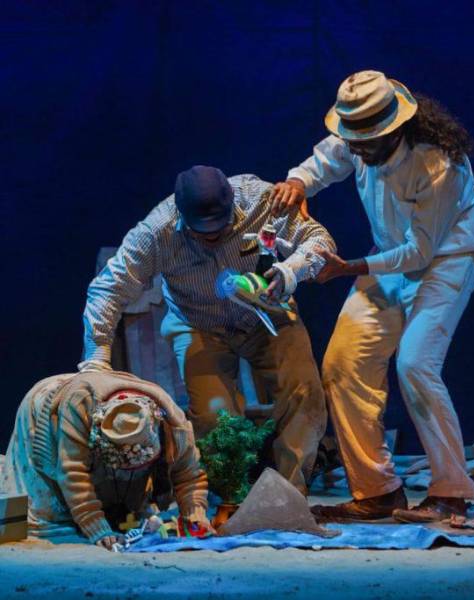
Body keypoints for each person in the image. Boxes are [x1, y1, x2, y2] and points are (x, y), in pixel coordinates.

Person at [270, 70, 474, 521]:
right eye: (351, 137)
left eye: (364, 140)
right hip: (388, 257)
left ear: (393, 129)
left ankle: (452, 492)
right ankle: (377, 490)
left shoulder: (437, 165)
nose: (354, 148)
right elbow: (323, 162)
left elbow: (420, 251)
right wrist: (297, 182)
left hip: (446, 260)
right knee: (343, 364)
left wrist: (350, 268)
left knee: (416, 363)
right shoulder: (356, 140)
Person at [81, 166, 335, 495]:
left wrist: (292, 269)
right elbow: (108, 289)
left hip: (266, 312)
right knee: (216, 417)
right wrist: (97, 359)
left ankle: (289, 493)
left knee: (304, 393)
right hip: (198, 323)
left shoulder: (261, 200)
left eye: (221, 228)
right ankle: (234, 497)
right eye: (203, 233)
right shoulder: (156, 232)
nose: (213, 238)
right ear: (183, 218)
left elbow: (319, 239)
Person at [2, 370, 211, 550]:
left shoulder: (174, 423)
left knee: (124, 507)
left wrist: (195, 515)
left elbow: (189, 475)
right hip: (48, 405)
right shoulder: (78, 407)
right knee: (52, 515)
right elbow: (73, 472)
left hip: (97, 396)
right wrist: (98, 530)